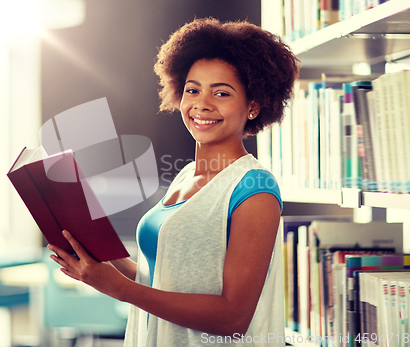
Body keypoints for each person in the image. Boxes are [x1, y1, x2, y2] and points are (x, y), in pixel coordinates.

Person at [47, 17, 300, 346]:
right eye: (192, 90)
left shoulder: (255, 190)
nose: (201, 104)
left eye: (221, 93)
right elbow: (158, 278)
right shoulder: (185, 176)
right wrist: (97, 256)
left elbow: (233, 317)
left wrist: (120, 289)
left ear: (252, 107)